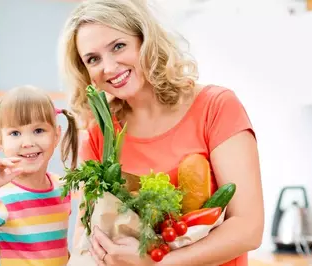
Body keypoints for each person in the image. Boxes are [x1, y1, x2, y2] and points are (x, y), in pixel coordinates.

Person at [59, 0, 264, 265]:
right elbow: (88, 234)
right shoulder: (100, 132)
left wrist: (154, 263)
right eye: (93, 59)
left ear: (145, 40)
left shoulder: (216, 107)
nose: (108, 68)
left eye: (118, 46)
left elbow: (248, 229)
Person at [0, 86, 79, 266]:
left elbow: (56, 251)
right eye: (15, 133)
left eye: (39, 130)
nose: (28, 143)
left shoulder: (61, 187)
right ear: (1, 140)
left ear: (56, 135)